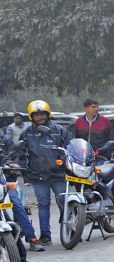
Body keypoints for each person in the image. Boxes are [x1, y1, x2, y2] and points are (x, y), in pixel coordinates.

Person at [11, 101, 69, 248]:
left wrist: (63, 161)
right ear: (31, 116)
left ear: (48, 114)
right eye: (36, 115)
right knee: (43, 204)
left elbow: (69, 149)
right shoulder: (26, 133)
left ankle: (71, 231)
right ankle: (45, 236)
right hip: (38, 176)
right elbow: (21, 153)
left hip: (58, 174)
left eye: (42, 114)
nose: (40, 117)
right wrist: (20, 167)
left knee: (64, 203)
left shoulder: (60, 131)